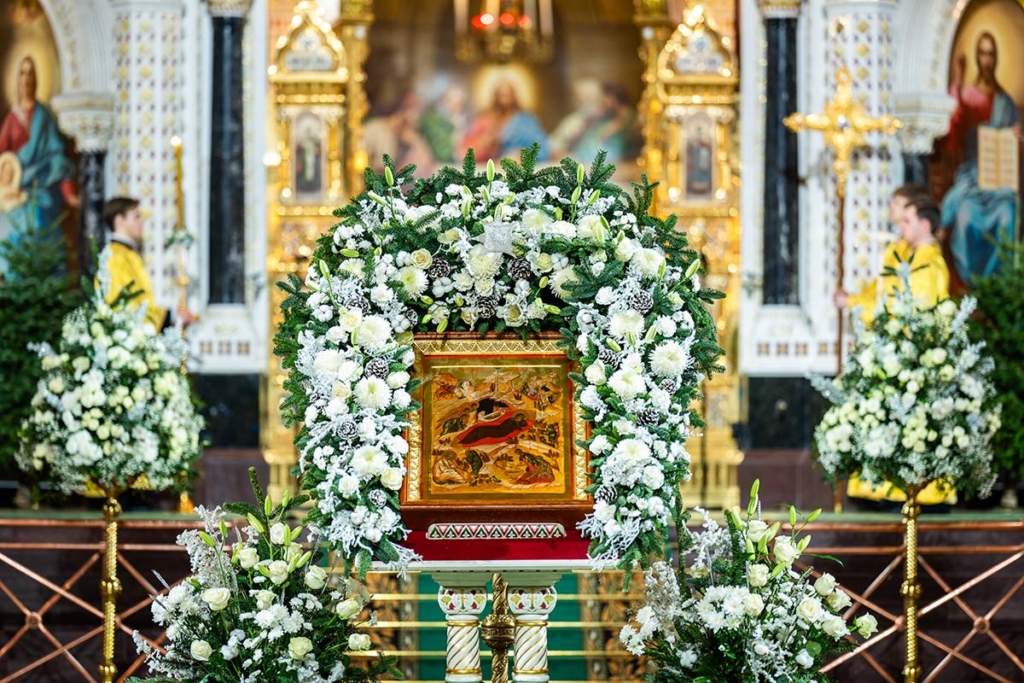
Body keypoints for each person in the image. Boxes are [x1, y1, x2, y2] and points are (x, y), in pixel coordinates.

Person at [835, 189, 956, 509]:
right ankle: (888, 489)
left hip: (914, 358)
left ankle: (917, 492)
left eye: (906, 219)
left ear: (924, 225)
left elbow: (908, 311)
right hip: (893, 353)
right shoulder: (905, 254)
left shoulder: (929, 264)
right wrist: (856, 302)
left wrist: (858, 308)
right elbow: (881, 293)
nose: (898, 225)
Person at [941, 31, 1021, 285]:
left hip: (1000, 180)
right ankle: (970, 286)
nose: (986, 60)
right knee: (964, 218)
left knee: (1008, 214)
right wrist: (958, 79)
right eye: (982, 53)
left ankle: (999, 287)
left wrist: (1017, 139)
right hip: (972, 176)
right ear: (977, 57)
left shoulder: (1005, 102)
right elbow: (950, 133)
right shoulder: (965, 95)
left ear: (996, 59)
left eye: (990, 54)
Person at [0, 56, 78, 238]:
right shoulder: (12, 119)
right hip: (15, 187)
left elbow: (58, 157)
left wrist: (69, 193)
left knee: (38, 220)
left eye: (30, 73)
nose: (26, 78)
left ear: (36, 79)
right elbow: (3, 156)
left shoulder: (44, 116)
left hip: (44, 187)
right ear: (17, 80)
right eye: (22, 73)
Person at [103, 197, 195, 332]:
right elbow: (124, 305)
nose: (142, 221)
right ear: (119, 220)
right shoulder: (115, 257)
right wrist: (170, 317)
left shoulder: (128, 254)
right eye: (137, 217)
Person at [459, 80, 548, 161]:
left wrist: (521, 154)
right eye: (502, 95)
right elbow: (467, 149)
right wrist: (485, 142)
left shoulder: (526, 120)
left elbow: (541, 146)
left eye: (508, 95)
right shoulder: (485, 119)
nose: (505, 99)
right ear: (495, 96)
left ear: (514, 96)